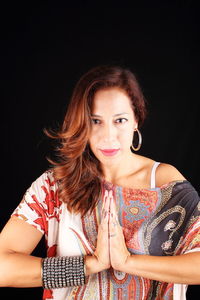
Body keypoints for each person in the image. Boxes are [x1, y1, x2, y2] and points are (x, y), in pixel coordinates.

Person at [0, 65, 199, 300]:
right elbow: (4, 268)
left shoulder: (165, 184)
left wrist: (127, 262)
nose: (108, 136)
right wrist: (89, 265)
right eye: (95, 121)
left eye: (120, 120)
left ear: (136, 120)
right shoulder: (55, 186)